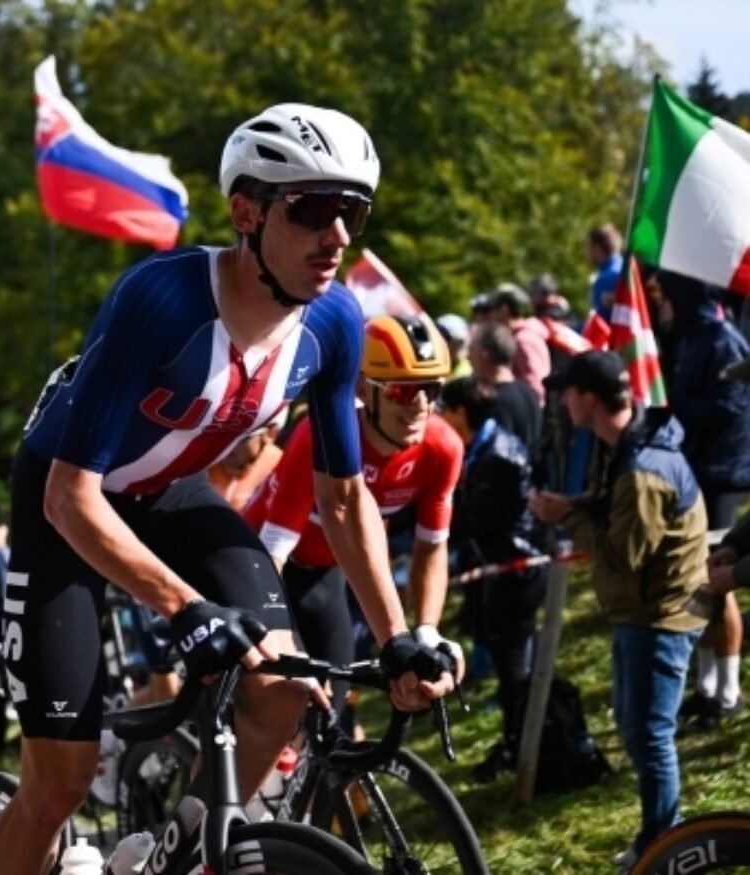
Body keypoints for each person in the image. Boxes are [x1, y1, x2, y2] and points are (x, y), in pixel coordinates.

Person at [0, 104, 456, 875]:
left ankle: (174, 859)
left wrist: (398, 632)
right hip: (68, 503)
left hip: (172, 494)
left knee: (283, 688)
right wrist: (185, 608)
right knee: (58, 787)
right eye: (312, 209)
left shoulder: (335, 323)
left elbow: (342, 499)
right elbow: (71, 497)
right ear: (247, 211)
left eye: (353, 212)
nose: (337, 234)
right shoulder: (162, 300)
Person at [243, 313, 465, 728]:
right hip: (261, 565)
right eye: (401, 391)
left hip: (326, 574)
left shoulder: (442, 449)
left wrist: (428, 630)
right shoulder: (320, 435)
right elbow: (272, 554)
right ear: (364, 389)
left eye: (431, 390)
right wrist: (280, 639)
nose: (418, 406)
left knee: (332, 714)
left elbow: (431, 548)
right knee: (277, 705)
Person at [529, 350, 707, 867]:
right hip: (644, 613)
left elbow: (621, 555)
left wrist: (567, 520)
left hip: (660, 617)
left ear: (587, 399)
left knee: (650, 737)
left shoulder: (642, 470)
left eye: (566, 393)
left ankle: (666, 845)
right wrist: (574, 506)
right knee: (635, 728)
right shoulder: (629, 448)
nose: (562, 403)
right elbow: (615, 515)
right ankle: (660, 836)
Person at [438, 376, 549, 781]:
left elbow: (478, 522)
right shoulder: (481, 447)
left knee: (514, 666)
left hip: (518, 572)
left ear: (461, 413)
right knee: (508, 662)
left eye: (443, 408)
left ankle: (523, 748)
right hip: (498, 569)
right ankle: (516, 741)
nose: (437, 416)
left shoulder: (496, 456)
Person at [657, 270, 750, 733]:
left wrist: (679, 410)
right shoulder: (692, 339)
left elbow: (732, 409)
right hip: (698, 471)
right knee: (700, 580)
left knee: (718, 582)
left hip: (723, 474)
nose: (660, 307)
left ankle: (728, 691)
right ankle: (707, 687)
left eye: (665, 297)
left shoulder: (723, 341)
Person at [468, 321, 542, 452]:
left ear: (483, 355)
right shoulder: (530, 393)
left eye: (472, 351)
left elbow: (497, 456)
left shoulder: (496, 402)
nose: (468, 358)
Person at [489, 283, 551, 405]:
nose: (491, 315)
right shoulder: (524, 335)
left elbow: (534, 385)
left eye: (493, 309)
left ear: (504, 309)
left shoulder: (523, 340)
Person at [586, 224, 624, 322]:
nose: (587, 253)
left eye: (589, 248)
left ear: (597, 249)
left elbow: (600, 324)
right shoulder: (625, 269)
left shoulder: (606, 279)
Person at [434, 313, 472, 378]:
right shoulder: (432, 369)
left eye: (462, 342)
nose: (462, 346)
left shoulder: (468, 373)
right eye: (457, 342)